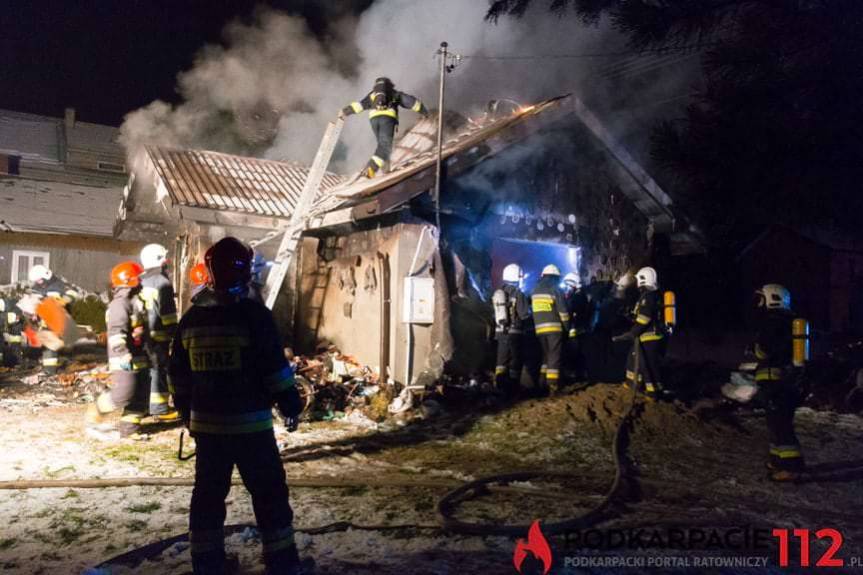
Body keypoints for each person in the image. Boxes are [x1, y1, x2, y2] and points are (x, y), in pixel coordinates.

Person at [168, 237, 305, 575]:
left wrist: (187, 414)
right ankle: (282, 563)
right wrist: (290, 404)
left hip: (208, 431)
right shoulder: (254, 316)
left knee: (208, 497)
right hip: (251, 428)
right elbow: (274, 369)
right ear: (245, 271)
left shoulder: (191, 320)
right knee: (269, 494)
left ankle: (207, 563)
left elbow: (178, 377)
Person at [86, 262, 151, 439]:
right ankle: (94, 415)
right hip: (123, 357)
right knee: (123, 393)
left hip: (139, 355)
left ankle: (129, 430)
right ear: (130, 281)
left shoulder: (134, 302)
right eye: (139, 279)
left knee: (140, 395)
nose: (142, 282)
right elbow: (116, 332)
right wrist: (122, 352)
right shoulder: (119, 304)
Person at [751, 283, 806, 482]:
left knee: (780, 424)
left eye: (761, 299)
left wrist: (754, 348)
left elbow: (763, 352)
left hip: (774, 380)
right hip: (789, 380)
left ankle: (792, 468)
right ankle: (777, 461)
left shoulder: (771, 322)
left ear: (771, 299)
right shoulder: (788, 321)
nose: (759, 303)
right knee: (777, 422)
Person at [340, 77, 429, 178]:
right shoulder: (393, 93)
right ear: (390, 85)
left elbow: (359, 106)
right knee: (385, 146)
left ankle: (385, 170)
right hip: (387, 119)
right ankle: (371, 169)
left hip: (374, 120)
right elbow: (411, 102)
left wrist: (345, 111)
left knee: (382, 145)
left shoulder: (372, 95)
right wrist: (425, 112)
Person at [139, 244, 181, 421]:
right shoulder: (162, 282)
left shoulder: (140, 281)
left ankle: (143, 405)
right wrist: (175, 333)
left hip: (140, 336)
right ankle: (160, 408)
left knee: (145, 371)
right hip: (158, 337)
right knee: (159, 370)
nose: (167, 261)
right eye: (164, 258)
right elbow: (168, 314)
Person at [613, 267, 667, 400]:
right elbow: (640, 316)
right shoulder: (648, 295)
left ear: (643, 280)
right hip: (644, 336)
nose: (637, 282)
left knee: (648, 365)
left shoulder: (648, 296)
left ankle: (653, 392)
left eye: (638, 279)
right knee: (633, 359)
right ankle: (632, 384)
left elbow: (644, 318)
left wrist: (632, 333)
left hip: (650, 337)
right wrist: (629, 316)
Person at [28, 265, 79, 374]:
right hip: (44, 321)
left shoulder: (59, 284)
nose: (39, 282)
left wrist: (63, 300)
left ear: (46, 276)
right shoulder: (36, 288)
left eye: (40, 280)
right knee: (48, 346)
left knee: (51, 345)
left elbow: (74, 292)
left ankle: (51, 370)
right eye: (37, 281)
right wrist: (33, 313)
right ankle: (50, 370)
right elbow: (35, 302)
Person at [492, 263, 531, 394]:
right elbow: (524, 314)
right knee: (515, 359)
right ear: (517, 277)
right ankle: (513, 387)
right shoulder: (518, 293)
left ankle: (499, 385)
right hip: (515, 332)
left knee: (501, 360)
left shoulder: (498, 292)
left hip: (500, 332)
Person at [530, 265, 570, 394]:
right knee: (554, 356)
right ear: (555, 277)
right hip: (554, 329)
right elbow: (563, 312)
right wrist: (567, 328)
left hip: (539, 330)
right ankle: (553, 386)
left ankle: (542, 383)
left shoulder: (535, 290)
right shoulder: (555, 289)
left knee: (545, 356)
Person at [562, 272, 591, 383]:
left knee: (575, 352)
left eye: (568, 285)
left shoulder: (578, 297)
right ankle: (579, 374)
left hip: (576, 329)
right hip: (578, 329)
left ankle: (575, 374)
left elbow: (572, 311)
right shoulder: (579, 295)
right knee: (577, 353)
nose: (567, 288)